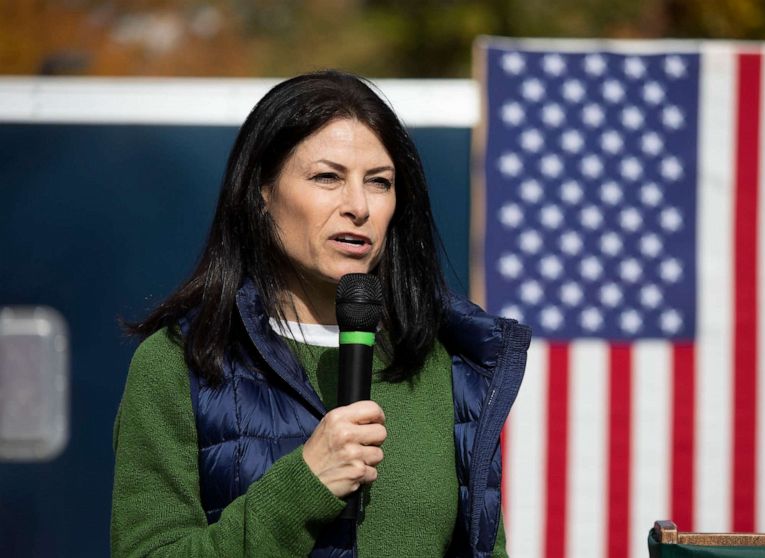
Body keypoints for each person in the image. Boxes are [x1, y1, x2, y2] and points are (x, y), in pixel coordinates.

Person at [111, 69, 531, 557]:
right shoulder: (179, 364)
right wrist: (303, 486)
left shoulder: (444, 365)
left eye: (379, 182)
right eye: (327, 177)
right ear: (260, 193)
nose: (358, 206)